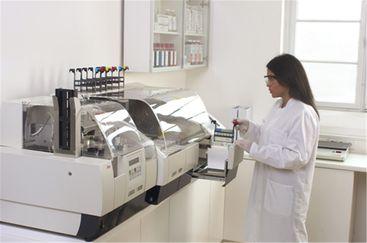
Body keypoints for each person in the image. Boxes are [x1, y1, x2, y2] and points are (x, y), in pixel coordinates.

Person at [233, 54, 320, 242]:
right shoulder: (279, 106)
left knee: (286, 236)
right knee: (263, 234)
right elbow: (268, 136)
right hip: (267, 187)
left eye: (271, 78)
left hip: (285, 194)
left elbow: (296, 156)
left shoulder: (302, 113)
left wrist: (254, 149)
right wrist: (249, 129)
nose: (267, 83)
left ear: (286, 78)